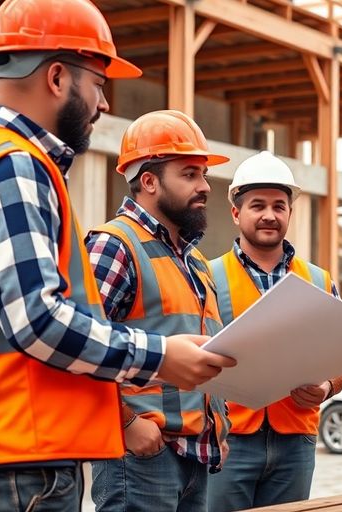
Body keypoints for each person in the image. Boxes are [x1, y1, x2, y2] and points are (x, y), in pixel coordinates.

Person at [0, 1, 234, 509]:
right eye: (97, 84)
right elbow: (37, 320)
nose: (102, 105)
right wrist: (162, 358)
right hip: (8, 463)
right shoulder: (12, 168)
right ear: (56, 77)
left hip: (4, 455)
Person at [87, 110, 232, 511]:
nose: (204, 186)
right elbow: (82, 348)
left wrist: (220, 426)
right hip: (141, 458)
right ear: (148, 181)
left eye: (203, 175)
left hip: (196, 458)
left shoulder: (196, 262)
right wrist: (127, 425)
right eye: (189, 174)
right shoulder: (114, 245)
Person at [206, 151, 342, 511]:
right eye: (258, 205)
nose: (270, 215)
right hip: (229, 440)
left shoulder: (319, 280)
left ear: (289, 212)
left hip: (295, 442)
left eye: (279, 206)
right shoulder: (206, 277)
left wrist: (328, 386)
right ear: (236, 213)